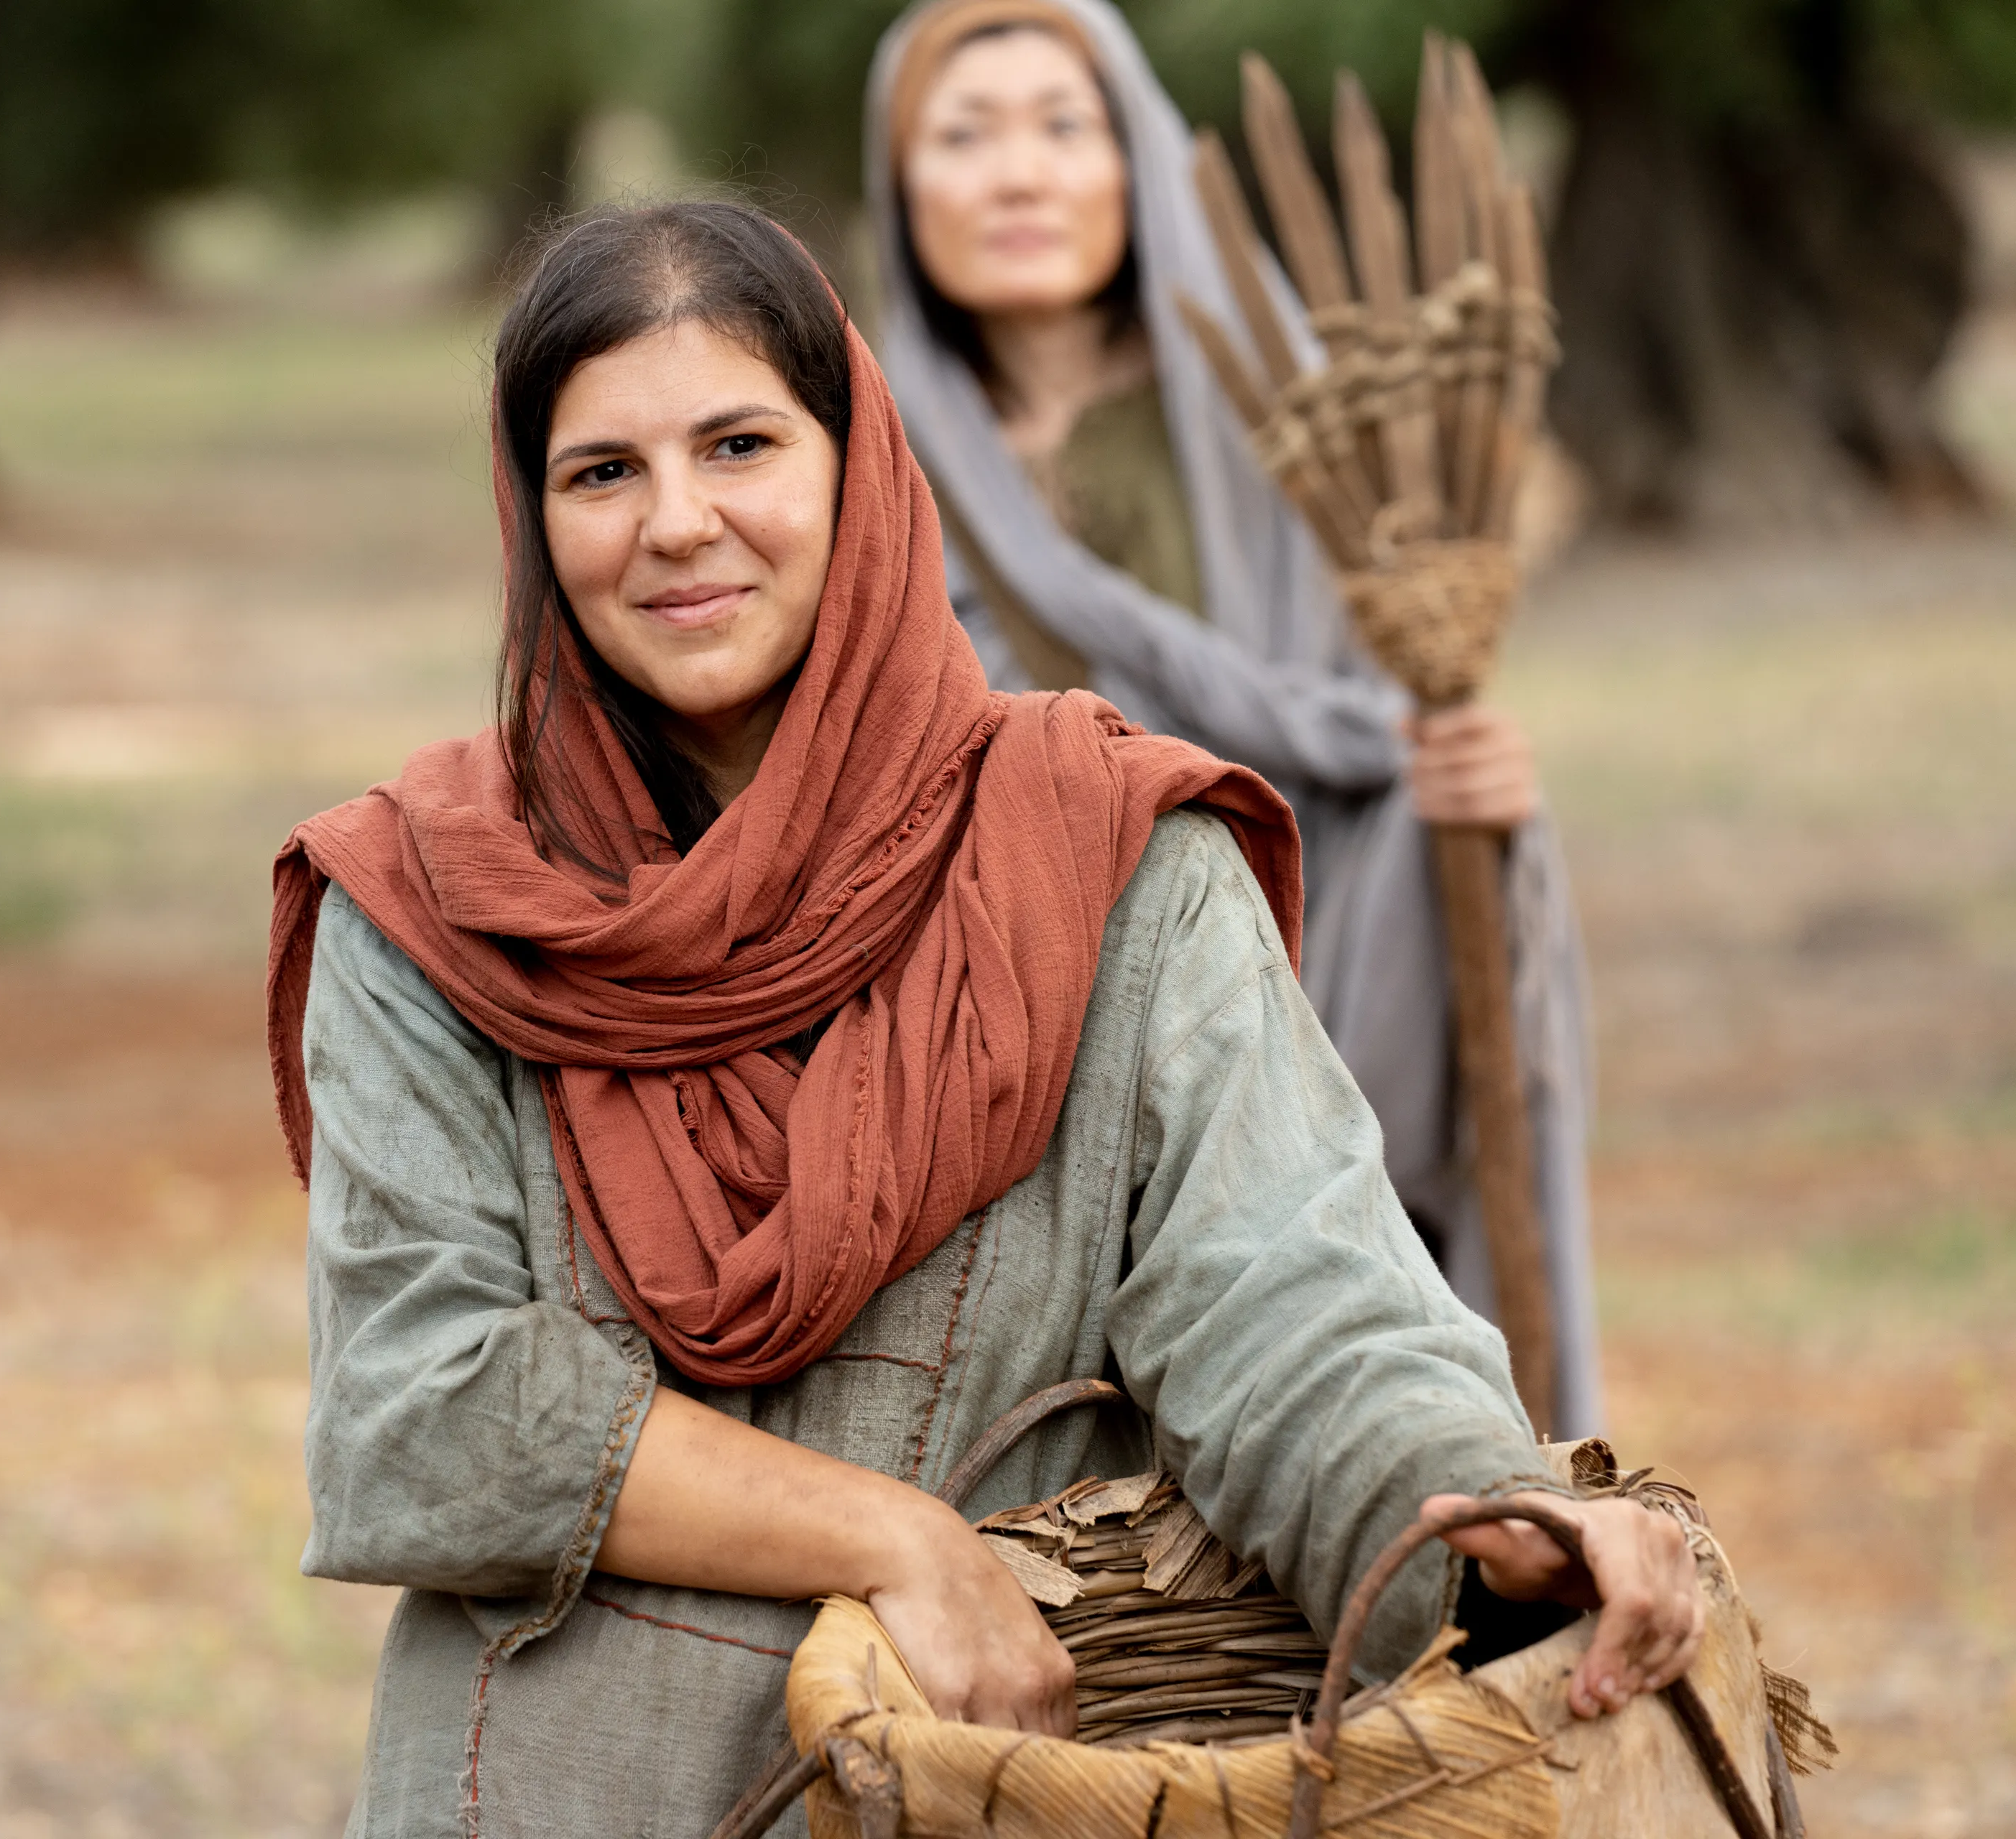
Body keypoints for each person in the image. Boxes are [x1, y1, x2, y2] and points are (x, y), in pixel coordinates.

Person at [267, 198, 1695, 1838]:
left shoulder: (1106, 857)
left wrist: (1486, 1522)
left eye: (740, 444)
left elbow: (1297, 1304)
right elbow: (425, 1399)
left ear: (858, 465)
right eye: (603, 472)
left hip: (991, 1789)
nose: (675, 524)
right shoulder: (438, 898)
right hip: (549, 1787)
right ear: (532, 519)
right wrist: (897, 1539)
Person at [864, 0, 1604, 1437]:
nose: (1020, 174)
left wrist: (1449, 768)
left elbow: (1376, 701)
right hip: (1020, 1028)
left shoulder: (1304, 429)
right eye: (965, 136)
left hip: (1336, 962)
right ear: (903, 194)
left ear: (1138, 158)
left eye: (1065, 127)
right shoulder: (857, 466)